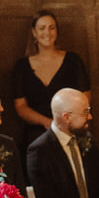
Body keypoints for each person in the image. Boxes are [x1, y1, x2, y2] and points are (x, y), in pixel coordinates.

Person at [12, 9, 90, 154]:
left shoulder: (73, 61)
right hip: (35, 135)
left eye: (51, 27)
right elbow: (21, 107)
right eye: (42, 28)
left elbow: (84, 99)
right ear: (34, 33)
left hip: (71, 130)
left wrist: (64, 125)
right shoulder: (21, 66)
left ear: (57, 31)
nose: (47, 33)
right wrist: (48, 123)